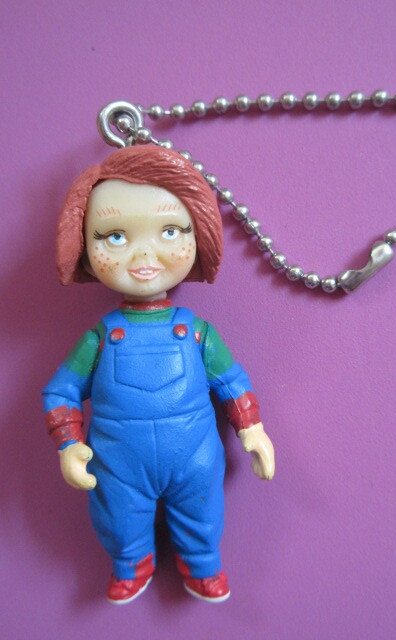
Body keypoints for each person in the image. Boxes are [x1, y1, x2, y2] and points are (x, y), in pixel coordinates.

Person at [42, 145, 275, 605]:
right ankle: (131, 563)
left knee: (202, 512)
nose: (144, 254)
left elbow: (232, 382)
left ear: (198, 237)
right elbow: (61, 391)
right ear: (84, 249)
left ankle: (202, 565)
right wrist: (69, 445)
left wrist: (253, 429)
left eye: (170, 231)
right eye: (114, 236)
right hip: (118, 458)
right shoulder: (100, 337)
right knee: (118, 517)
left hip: (193, 451)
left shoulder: (197, 332)